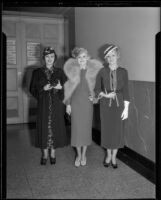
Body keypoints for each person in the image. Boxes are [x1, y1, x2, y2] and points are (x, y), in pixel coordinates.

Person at [63, 47, 103, 167]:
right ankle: (78, 155)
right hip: (75, 103)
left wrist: (95, 97)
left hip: (87, 104)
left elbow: (98, 88)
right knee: (76, 130)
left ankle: (84, 155)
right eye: (79, 57)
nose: (82, 59)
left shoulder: (93, 73)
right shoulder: (72, 72)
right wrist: (68, 104)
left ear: (88, 58)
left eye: (84, 56)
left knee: (85, 130)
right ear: (76, 59)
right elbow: (68, 90)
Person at [30, 46, 68, 165]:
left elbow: (67, 88)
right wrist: (43, 89)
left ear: (54, 58)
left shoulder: (60, 72)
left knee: (55, 127)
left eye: (52, 56)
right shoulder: (37, 72)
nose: (49, 59)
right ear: (43, 58)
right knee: (44, 127)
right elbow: (32, 89)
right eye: (47, 57)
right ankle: (45, 154)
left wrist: (60, 87)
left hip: (56, 104)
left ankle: (53, 153)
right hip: (44, 104)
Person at [94, 44, 130, 168]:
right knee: (107, 131)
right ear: (105, 58)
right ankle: (108, 155)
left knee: (117, 132)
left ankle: (114, 156)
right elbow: (97, 89)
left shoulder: (123, 72)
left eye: (113, 55)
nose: (111, 58)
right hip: (105, 106)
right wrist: (105, 95)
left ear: (117, 56)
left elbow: (126, 91)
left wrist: (126, 108)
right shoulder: (102, 71)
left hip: (119, 105)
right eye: (108, 56)